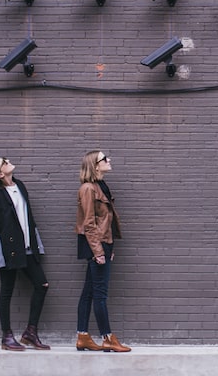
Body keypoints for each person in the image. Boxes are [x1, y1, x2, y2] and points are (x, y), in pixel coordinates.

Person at [0, 156, 50, 351]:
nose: (8, 161)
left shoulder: (20, 185)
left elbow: (29, 217)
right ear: (0, 174)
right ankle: (7, 336)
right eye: (3, 162)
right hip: (8, 251)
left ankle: (30, 332)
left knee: (42, 285)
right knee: (6, 291)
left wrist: (38, 245)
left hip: (28, 249)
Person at [74, 149, 131, 353]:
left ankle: (82, 336)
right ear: (95, 165)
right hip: (95, 245)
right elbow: (89, 223)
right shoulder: (88, 189)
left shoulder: (100, 186)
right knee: (100, 294)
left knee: (89, 292)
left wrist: (109, 246)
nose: (109, 160)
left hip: (102, 243)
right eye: (104, 159)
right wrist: (99, 250)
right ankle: (107, 338)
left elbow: (106, 222)